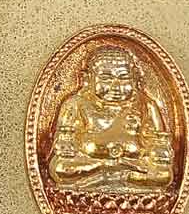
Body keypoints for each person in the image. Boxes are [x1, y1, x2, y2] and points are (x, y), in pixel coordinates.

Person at [49, 46, 173, 192]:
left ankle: (107, 180)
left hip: (133, 169)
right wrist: (104, 165)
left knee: (163, 176)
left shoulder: (146, 105)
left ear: (134, 79)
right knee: (61, 169)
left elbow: (159, 146)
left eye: (124, 78)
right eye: (106, 78)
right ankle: (107, 178)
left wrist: (149, 158)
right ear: (87, 79)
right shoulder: (76, 104)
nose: (116, 87)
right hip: (93, 167)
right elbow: (64, 150)